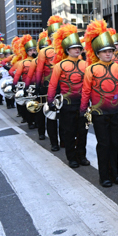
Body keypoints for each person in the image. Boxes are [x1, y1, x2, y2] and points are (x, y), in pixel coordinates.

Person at [81, 20, 118, 187]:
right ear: (98, 53)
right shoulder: (91, 69)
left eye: (110, 51)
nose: (108, 54)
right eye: (104, 52)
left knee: (114, 143)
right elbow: (86, 91)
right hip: (99, 113)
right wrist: (83, 109)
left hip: (115, 112)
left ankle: (115, 173)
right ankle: (104, 176)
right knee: (103, 144)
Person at [48, 24, 89, 168]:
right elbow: (52, 85)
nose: (77, 50)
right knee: (69, 132)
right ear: (67, 50)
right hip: (67, 105)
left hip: (83, 104)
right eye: (73, 48)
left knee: (83, 132)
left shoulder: (86, 64)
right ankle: (71, 157)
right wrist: (50, 101)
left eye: (79, 47)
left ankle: (82, 156)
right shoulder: (59, 66)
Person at [33, 16, 63, 151]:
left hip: (64, 87)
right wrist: (38, 86)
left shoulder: (66, 50)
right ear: (50, 37)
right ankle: (54, 142)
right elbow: (39, 70)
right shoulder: (44, 51)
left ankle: (64, 140)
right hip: (47, 87)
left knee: (64, 116)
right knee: (51, 115)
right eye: (53, 35)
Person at [13, 36, 38, 130]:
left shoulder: (40, 61)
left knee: (37, 105)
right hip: (27, 86)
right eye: (30, 50)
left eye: (34, 50)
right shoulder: (22, 63)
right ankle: (30, 122)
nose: (33, 52)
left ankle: (37, 122)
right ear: (27, 52)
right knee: (29, 105)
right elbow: (17, 75)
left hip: (37, 86)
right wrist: (14, 84)